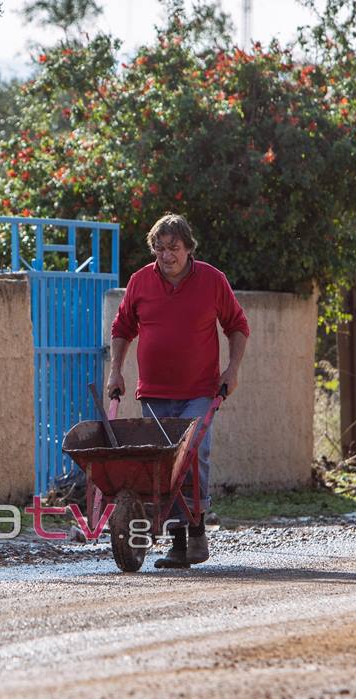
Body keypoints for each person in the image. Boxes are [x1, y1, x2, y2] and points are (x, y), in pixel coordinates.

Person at [106, 213, 249, 568]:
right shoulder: (140, 281)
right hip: (153, 392)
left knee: (192, 455)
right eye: (160, 247)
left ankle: (196, 533)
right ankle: (179, 543)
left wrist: (233, 369)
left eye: (174, 247)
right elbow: (122, 328)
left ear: (188, 248)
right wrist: (115, 373)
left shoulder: (212, 281)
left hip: (200, 390)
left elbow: (237, 325)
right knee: (163, 465)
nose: (166, 255)